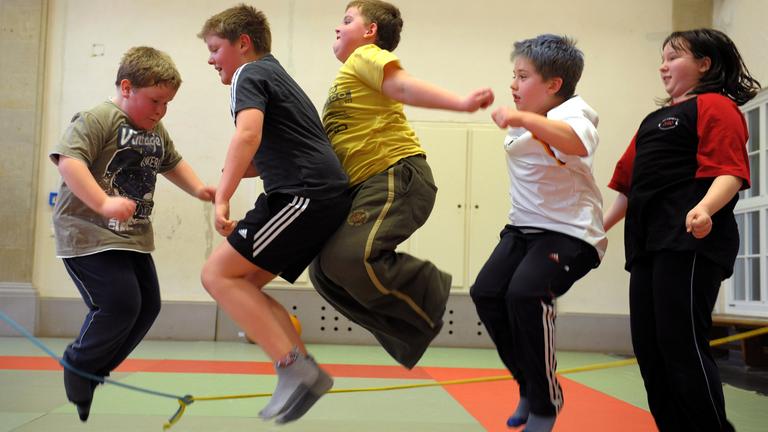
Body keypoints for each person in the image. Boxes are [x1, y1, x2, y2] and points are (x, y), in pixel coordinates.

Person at [309, 0, 494, 370]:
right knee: (324, 271)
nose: (337, 27)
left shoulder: (366, 57)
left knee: (349, 258)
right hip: (366, 186)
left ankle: (430, 290)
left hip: (396, 173)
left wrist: (460, 103)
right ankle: (412, 331)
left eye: (347, 20)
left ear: (370, 32)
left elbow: (404, 88)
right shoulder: (347, 80)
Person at [197, 4, 352, 424]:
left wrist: (224, 197)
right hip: (314, 194)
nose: (211, 59)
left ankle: (293, 367)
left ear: (242, 43)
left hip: (303, 196)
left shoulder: (250, 74)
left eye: (215, 49)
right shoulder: (275, 73)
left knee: (216, 275)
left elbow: (248, 134)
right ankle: (301, 370)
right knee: (242, 282)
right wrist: (225, 180)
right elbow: (267, 153)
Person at [603, 28, 760, 432]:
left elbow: (730, 171)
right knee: (651, 352)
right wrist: (595, 229)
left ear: (704, 64)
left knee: (682, 346)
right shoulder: (652, 120)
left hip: (689, 243)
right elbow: (627, 187)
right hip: (647, 247)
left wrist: (705, 209)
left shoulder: (715, 107)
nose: (663, 66)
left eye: (673, 57)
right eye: (662, 57)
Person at [50, 46, 215, 421]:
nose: (160, 111)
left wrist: (201, 190)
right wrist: (104, 203)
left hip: (133, 234)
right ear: (126, 87)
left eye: (167, 103)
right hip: (88, 233)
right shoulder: (97, 119)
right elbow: (69, 161)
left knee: (147, 307)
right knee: (119, 304)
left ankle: (95, 370)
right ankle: (78, 364)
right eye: (155, 100)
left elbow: (172, 163)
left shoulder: (154, 129)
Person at [470, 34, 606, 432]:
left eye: (523, 76)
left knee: (526, 294)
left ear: (554, 85)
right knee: (487, 293)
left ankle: (546, 403)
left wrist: (522, 118)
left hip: (569, 234)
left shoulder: (576, 114)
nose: (513, 85)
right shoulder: (529, 116)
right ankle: (528, 385)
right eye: (513, 75)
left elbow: (577, 144)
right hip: (522, 230)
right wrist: (523, 117)